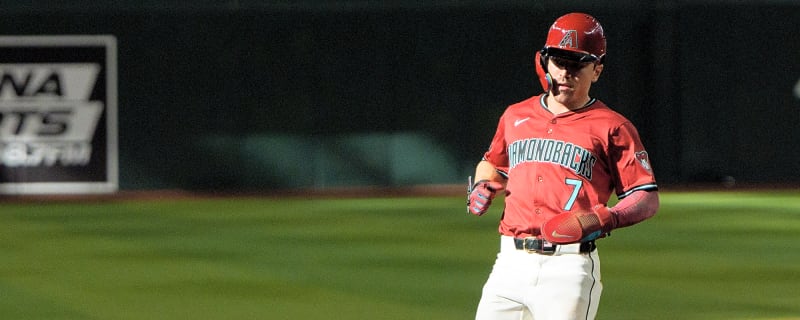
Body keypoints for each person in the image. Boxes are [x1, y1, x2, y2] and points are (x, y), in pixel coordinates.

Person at [467, 12, 660, 320]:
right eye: (559, 62)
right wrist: (482, 183)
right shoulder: (516, 115)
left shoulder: (613, 127)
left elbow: (646, 196)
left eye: (577, 64)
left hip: (568, 268)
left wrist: (603, 218)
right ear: (544, 62)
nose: (565, 73)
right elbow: (493, 163)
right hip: (509, 263)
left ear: (596, 70)